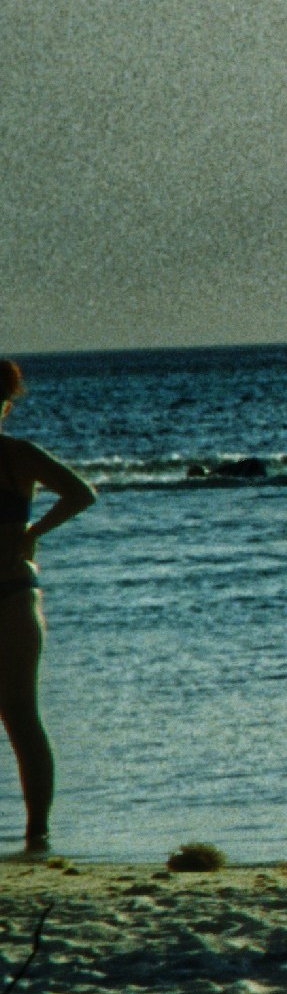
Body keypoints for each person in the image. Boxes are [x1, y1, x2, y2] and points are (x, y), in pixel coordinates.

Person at [3, 361, 100, 856]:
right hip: (15, 593)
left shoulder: (19, 456)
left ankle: (37, 833)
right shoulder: (19, 456)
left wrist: (31, 534)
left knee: (21, 717)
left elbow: (82, 493)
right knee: (22, 718)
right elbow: (80, 494)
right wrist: (31, 534)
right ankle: (36, 833)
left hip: (13, 596)